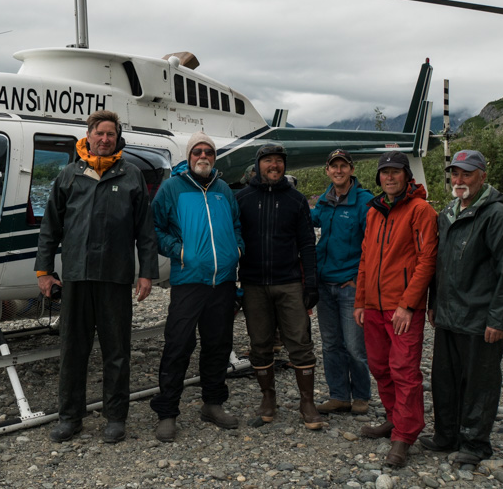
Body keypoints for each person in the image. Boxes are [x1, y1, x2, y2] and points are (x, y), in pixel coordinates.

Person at [35, 110, 159, 444]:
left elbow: (145, 232)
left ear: (118, 139)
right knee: (73, 349)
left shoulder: (131, 176)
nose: (105, 139)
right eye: (99, 133)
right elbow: (50, 228)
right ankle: (69, 417)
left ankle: (115, 417)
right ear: (88, 135)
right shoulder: (69, 176)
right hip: (76, 276)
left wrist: (147, 273)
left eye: (111, 135)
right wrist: (44, 270)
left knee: (116, 351)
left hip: (115, 278)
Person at [421, 150, 503, 465]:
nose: (459, 180)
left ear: (482, 176)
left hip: (480, 319)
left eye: (467, 173)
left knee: (480, 382)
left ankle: (475, 444)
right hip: (449, 316)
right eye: (455, 173)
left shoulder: (496, 215)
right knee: (444, 379)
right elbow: (441, 265)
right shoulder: (448, 212)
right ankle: (446, 435)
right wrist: (434, 303)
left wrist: (500, 319)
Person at [149, 132, 244, 442]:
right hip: (189, 279)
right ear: (188, 157)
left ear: (214, 157)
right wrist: (179, 251)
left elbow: (236, 226)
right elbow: (155, 228)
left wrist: (237, 250)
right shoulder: (172, 188)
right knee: (178, 345)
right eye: (197, 152)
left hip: (223, 281)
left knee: (218, 344)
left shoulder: (224, 190)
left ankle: (212, 403)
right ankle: (167, 412)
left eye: (209, 152)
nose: (203, 156)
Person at [354, 150, 437, 467]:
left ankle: (404, 435)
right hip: (374, 306)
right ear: (379, 178)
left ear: (407, 176)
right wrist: (360, 301)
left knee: (404, 371)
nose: (389, 177)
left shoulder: (421, 210)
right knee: (379, 367)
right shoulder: (374, 211)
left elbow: (426, 260)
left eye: (395, 171)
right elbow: (365, 259)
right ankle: (393, 418)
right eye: (384, 172)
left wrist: (408, 304)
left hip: (403, 308)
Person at [236, 142, 323, 431]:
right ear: (257, 164)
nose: (274, 165)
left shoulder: (297, 200)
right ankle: (268, 399)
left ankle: (307, 402)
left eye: (279, 161)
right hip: (253, 283)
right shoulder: (243, 198)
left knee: (300, 342)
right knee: (259, 343)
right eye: (268, 160)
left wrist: (310, 283)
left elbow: (307, 244)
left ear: (285, 166)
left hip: (289, 283)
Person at [311, 149, 374, 416]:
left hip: (350, 286)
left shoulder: (365, 202)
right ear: (327, 170)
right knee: (330, 344)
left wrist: (358, 281)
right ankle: (339, 395)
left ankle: (360, 395)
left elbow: (372, 247)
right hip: (324, 285)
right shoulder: (323, 202)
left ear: (351, 170)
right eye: (333, 166)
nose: (338, 170)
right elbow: (303, 225)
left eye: (343, 166)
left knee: (354, 346)